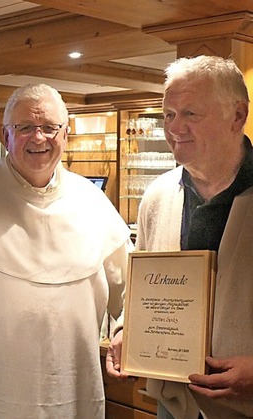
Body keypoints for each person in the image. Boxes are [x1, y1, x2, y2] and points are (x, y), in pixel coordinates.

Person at [0, 83, 133, 418]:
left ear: (65, 134)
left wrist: (124, 330)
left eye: (50, 127)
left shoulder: (93, 203)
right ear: (5, 135)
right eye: (24, 127)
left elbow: (132, 290)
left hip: (74, 387)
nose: (38, 138)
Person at [105, 55, 253, 418]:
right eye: (168, 114)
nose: (174, 128)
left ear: (237, 115)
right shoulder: (156, 196)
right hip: (174, 403)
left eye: (190, 114)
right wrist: (127, 331)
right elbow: (140, 290)